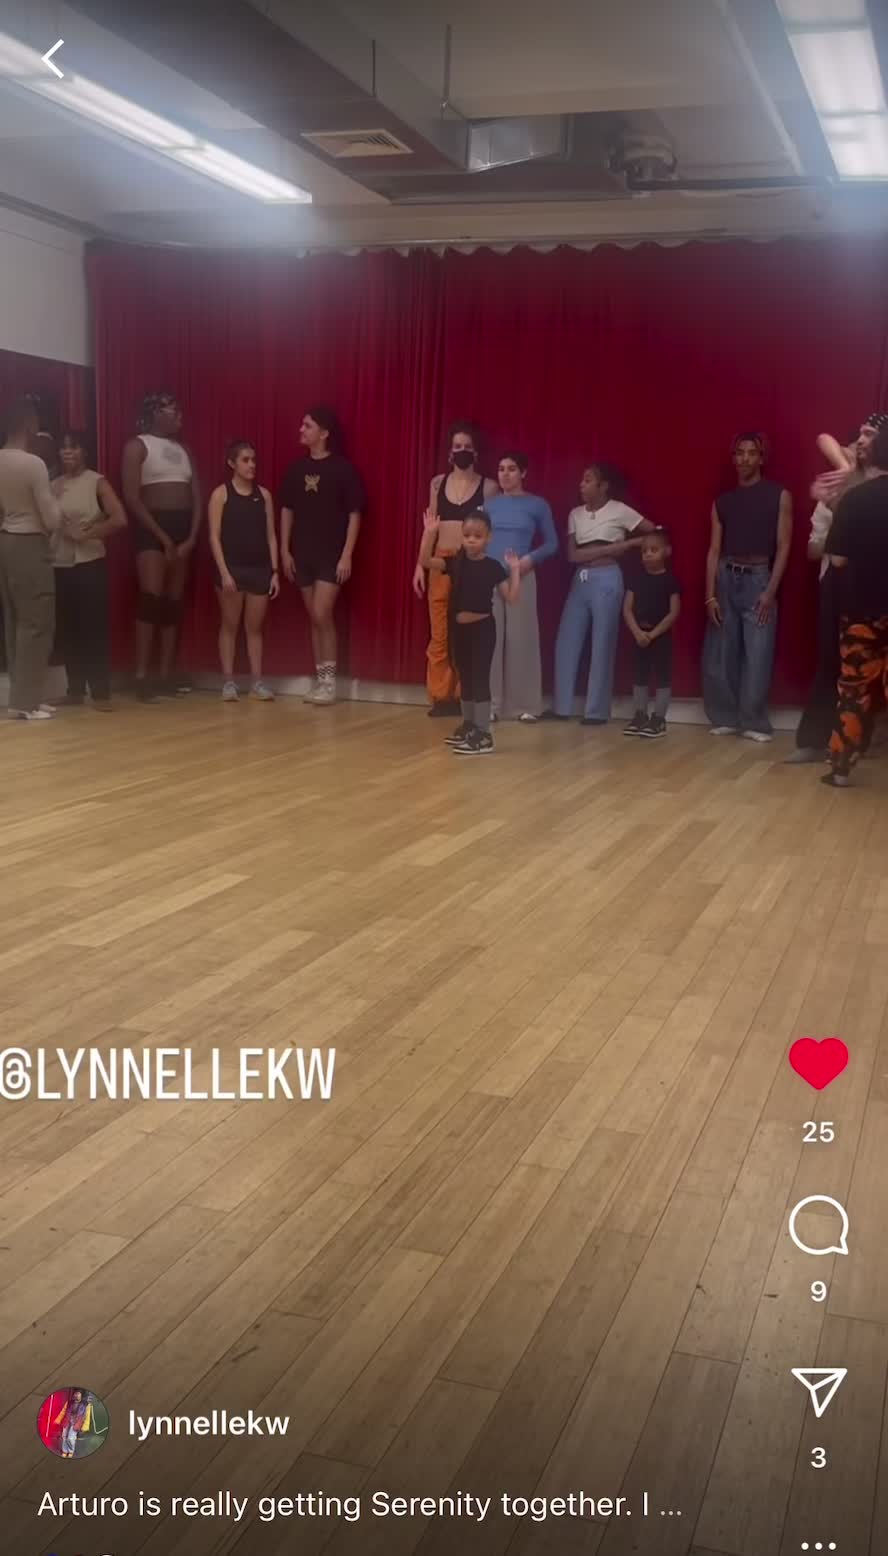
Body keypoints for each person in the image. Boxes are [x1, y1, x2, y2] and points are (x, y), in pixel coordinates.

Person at [787, 413, 887, 764]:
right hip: (839, 581)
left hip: (875, 580)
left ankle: (862, 741)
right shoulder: (842, 480)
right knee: (833, 660)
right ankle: (817, 741)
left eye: (870, 435)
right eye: (860, 434)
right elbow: (823, 438)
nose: (861, 440)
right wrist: (841, 488)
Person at [702, 433, 792, 741]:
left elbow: (784, 545)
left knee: (758, 652)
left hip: (759, 577)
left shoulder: (779, 495)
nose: (745, 459)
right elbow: (714, 550)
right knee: (722, 651)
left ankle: (754, 721)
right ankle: (726, 716)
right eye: (739, 453)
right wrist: (709, 595)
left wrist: (771, 591)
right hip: (726, 576)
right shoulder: (722, 502)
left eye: (752, 453)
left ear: (761, 458)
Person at [550, 462, 654, 725]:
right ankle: (561, 706)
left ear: (603, 486)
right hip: (581, 578)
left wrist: (630, 544)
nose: (581, 485)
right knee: (566, 641)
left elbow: (654, 533)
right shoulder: (575, 514)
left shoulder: (619, 510)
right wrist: (612, 548)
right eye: (582, 480)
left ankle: (596, 711)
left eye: (588, 480)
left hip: (607, 577)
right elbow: (572, 555)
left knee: (602, 642)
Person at [279, 407, 365, 706]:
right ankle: (320, 680)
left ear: (324, 433)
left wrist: (347, 555)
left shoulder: (343, 469)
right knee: (313, 619)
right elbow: (286, 510)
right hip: (302, 554)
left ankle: (329, 683)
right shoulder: (295, 469)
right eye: (302, 425)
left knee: (321, 613)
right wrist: (284, 550)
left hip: (331, 555)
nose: (301, 430)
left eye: (308, 425)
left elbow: (355, 514)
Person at [412, 420, 498, 717]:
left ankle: (466, 694)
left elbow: (491, 531)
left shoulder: (489, 487)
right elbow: (430, 526)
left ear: (475, 452)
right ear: (450, 452)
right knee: (440, 634)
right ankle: (441, 695)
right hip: (440, 561)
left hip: (470, 565)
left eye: (467, 446)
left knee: (467, 633)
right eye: (457, 446)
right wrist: (419, 566)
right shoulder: (437, 483)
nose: (462, 451)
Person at [121, 391, 201, 702]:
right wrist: (163, 537)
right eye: (172, 409)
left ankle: (166, 674)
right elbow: (131, 497)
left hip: (182, 530)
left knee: (172, 602)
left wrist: (191, 537)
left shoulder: (184, 449)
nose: (179, 414)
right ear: (154, 413)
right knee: (150, 599)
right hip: (151, 527)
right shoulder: (137, 445)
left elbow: (196, 495)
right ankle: (142, 676)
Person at [822, 425, 888, 788]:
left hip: (861, 609)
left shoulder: (855, 499)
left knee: (853, 690)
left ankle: (841, 768)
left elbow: (838, 560)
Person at [425, 509, 521, 755]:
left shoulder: (493, 567)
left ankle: (484, 733)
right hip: (460, 631)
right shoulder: (456, 562)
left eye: (477, 536)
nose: (471, 540)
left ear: (488, 537)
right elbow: (426, 562)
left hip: (483, 631)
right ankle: (469, 726)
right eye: (467, 535)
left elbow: (511, 597)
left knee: (479, 679)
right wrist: (429, 534)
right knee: (465, 678)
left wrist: (515, 570)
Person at [50, 430, 127, 710]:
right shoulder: (53, 484)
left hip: (89, 562)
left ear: (84, 451)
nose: (67, 452)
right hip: (59, 562)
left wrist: (88, 534)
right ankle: (74, 690)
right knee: (68, 627)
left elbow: (119, 519)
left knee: (92, 628)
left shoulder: (97, 481)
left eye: (73, 447)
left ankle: (101, 693)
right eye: (63, 448)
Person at [482, 451, 557, 721]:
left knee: (521, 638)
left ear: (523, 473)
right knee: (490, 638)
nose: (505, 474)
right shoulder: (489, 505)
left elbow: (552, 543)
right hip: (490, 576)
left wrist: (528, 560)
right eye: (501, 468)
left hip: (520, 575)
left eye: (512, 469)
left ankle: (525, 705)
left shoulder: (537, 504)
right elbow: (478, 537)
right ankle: (490, 705)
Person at [0, 397, 62, 720]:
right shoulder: (32, 464)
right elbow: (51, 518)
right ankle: (26, 703)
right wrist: (60, 507)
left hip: (6, 540)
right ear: (28, 426)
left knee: (14, 620)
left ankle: (23, 696)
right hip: (29, 541)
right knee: (37, 621)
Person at [207, 440, 279, 702]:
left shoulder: (264, 495)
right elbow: (214, 537)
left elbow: (271, 536)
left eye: (253, 460)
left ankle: (256, 682)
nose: (251, 465)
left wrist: (274, 571)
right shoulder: (220, 495)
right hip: (232, 570)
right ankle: (228, 682)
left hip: (259, 570)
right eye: (245, 460)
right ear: (232, 463)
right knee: (229, 625)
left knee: (254, 628)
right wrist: (224, 573)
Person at [622, 528, 681, 738]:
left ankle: (659, 719)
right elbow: (627, 608)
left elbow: (673, 612)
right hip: (640, 636)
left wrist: (653, 634)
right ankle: (640, 715)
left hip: (660, 637)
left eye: (654, 550)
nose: (648, 554)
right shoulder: (636, 580)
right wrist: (637, 632)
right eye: (644, 551)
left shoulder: (670, 581)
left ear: (667, 551)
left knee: (662, 676)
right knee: (640, 675)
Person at [54, 1389, 92, 1458]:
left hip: (77, 1422)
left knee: (71, 1438)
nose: (76, 1395)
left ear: (81, 1395)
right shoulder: (69, 1402)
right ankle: (65, 1451)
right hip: (67, 1420)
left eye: (78, 1393)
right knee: (64, 1436)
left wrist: (85, 1426)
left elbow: (87, 1416)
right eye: (75, 1393)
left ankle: (70, 1451)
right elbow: (63, 1412)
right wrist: (58, 1420)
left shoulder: (86, 1404)